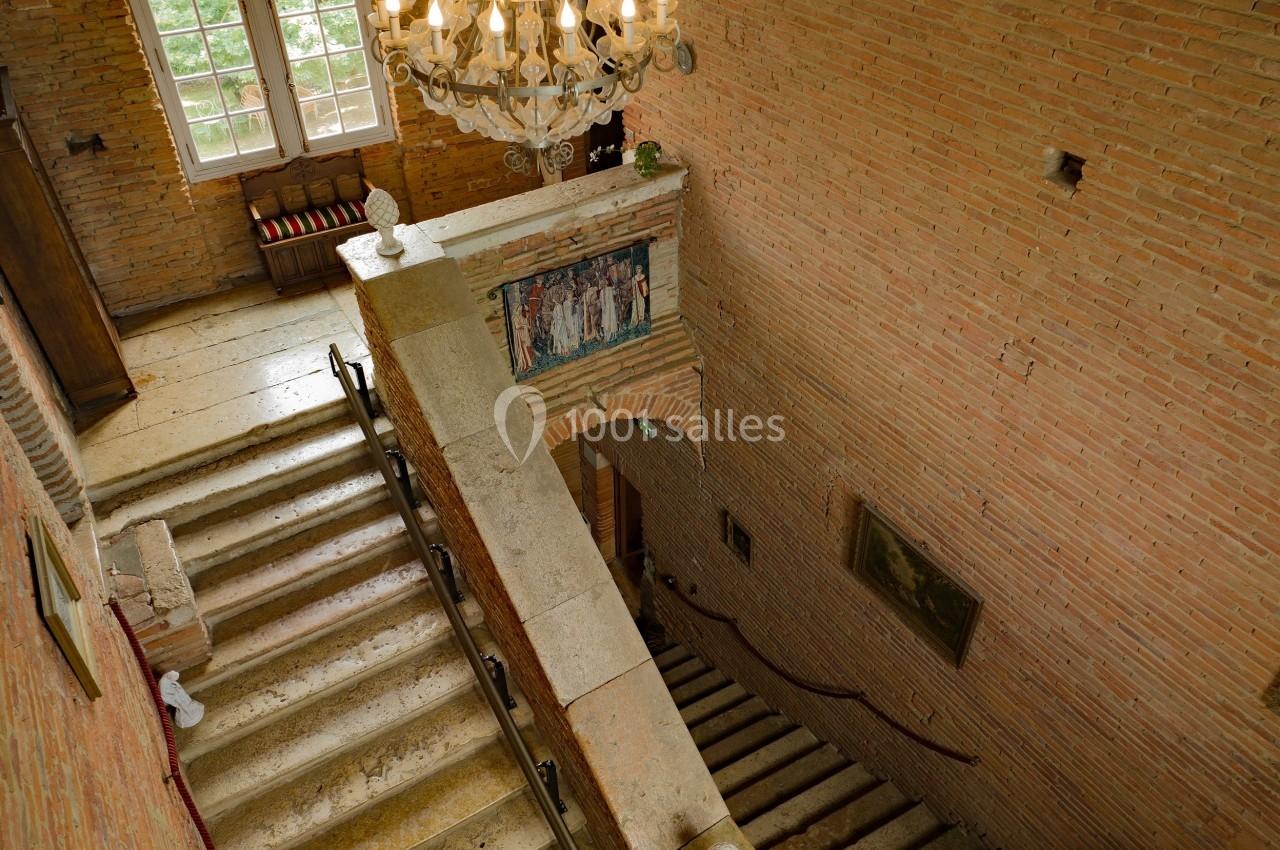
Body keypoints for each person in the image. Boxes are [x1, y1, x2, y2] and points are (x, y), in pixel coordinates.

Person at [511, 302, 535, 374]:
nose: (521, 311)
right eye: (520, 309)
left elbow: (528, 326)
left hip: (525, 335)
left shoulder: (523, 316)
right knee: (523, 350)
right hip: (520, 336)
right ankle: (526, 365)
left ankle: (529, 364)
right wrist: (524, 325)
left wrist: (527, 321)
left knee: (527, 349)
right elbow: (517, 327)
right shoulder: (515, 317)